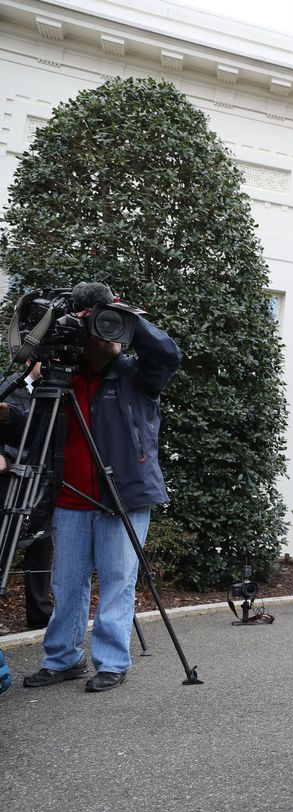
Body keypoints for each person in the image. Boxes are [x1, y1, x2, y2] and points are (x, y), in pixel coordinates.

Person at [21, 283, 181, 693]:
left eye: (109, 327)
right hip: (70, 497)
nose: (103, 335)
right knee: (66, 583)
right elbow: (36, 428)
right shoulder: (63, 375)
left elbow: (167, 353)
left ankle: (111, 662)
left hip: (123, 495)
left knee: (117, 581)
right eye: (95, 327)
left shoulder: (136, 374)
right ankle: (62, 659)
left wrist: (121, 315)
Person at [0, 363, 54, 630]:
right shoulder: (7, 387)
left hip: (46, 477)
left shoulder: (59, 390)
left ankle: (40, 614)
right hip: (11, 478)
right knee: (4, 542)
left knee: (41, 546)